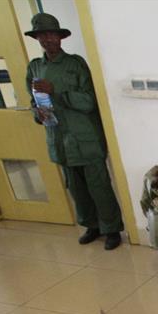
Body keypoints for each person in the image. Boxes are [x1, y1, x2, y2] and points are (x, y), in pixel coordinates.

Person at [24, 13, 124, 250]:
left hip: (85, 138)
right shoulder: (35, 67)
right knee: (77, 189)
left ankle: (112, 229)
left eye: (51, 34)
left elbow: (89, 101)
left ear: (60, 37)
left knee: (99, 187)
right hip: (58, 139)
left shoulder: (75, 64)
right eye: (42, 35)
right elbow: (33, 100)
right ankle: (92, 226)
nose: (47, 39)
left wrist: (56, 91)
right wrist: (36, 113)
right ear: (37, 38)